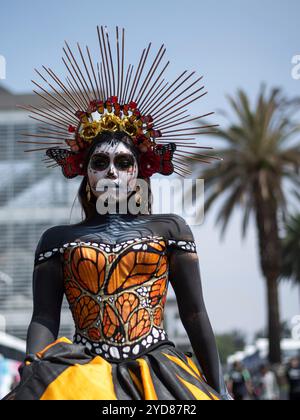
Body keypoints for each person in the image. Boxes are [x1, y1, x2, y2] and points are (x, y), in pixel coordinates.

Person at [3, 26, 228, 400]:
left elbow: (194, 314)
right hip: (81, 373)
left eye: (123, 162)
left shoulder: (171, 229)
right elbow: (44, 316)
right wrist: (33, 366)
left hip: (158, 372)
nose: (111, 171)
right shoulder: (57, 240)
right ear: (85, 173)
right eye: (100, 161)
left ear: (139, 171)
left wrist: (217, 386)